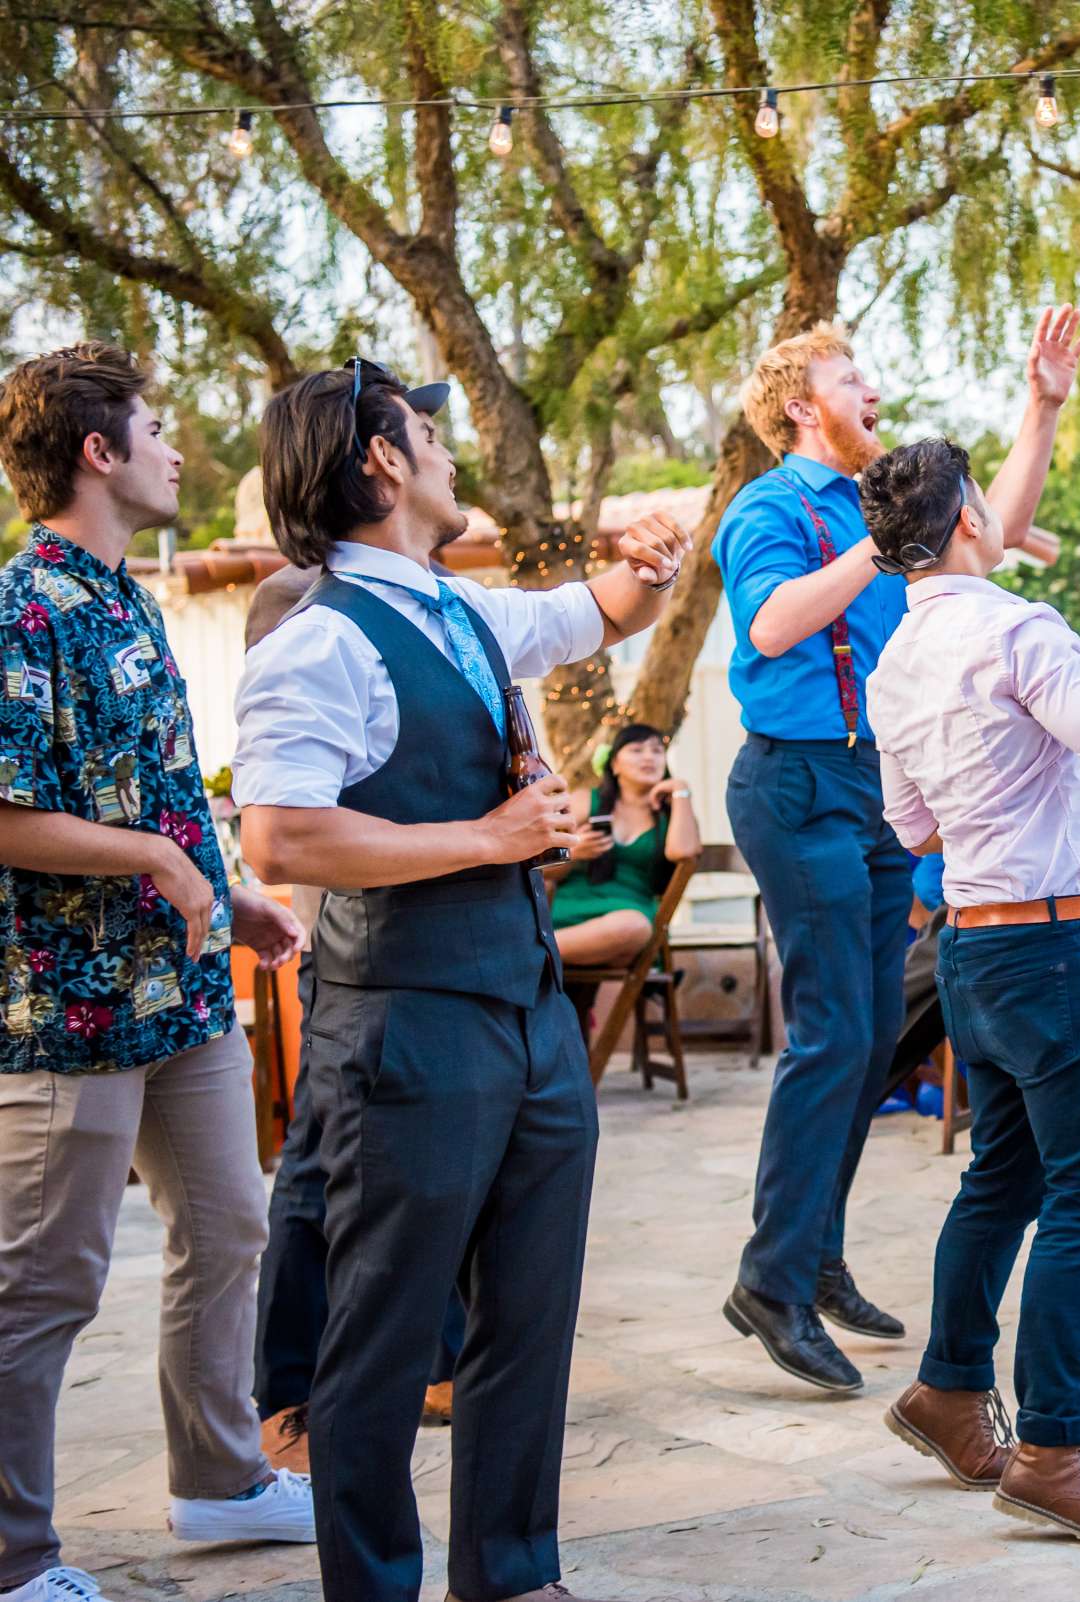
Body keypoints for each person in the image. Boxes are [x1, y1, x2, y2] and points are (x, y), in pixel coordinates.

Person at [235, 358, 693, 1602]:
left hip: (528, 1010)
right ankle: (375, 1586)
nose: (446, 452)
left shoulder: (465, 611)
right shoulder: (319, 640)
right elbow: (277, 836)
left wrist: (650, 557)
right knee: (382, 1338)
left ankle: (510, 1575)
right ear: (383, 460)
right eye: (426, 435)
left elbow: (603, 611)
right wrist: (486, 842)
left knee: (529, 1316)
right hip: (407, 1025)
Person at [714, 309, 1080, 1393]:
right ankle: (772, 1280)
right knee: (833, 1033)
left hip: (870, 785)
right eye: (851, 376)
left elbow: (993, 530)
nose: (873, 390)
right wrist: (873, 554)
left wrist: (1043, 403)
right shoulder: (770, 505)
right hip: (795, 780)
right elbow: (772, 626)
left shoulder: (880, 503)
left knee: (873, 1039)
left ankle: (815, 1258)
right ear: (801, 404)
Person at [0, 344, 315, 1602]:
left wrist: (220, 888)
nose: (177, 450)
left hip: (179, 995)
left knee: (233, 1227)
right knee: (44, 1286)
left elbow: (143, 792)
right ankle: (16, 1555)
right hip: (64, 1012)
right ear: (97, 451)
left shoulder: (126, 594)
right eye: (155, 427)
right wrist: (159, 863)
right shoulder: (20, 605)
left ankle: (219, 1479)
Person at [862, 438, 1080, 1547]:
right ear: (966, 525)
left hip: (974, 952)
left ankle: (949, 1392)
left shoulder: (894, 660)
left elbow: (916, 829)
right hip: (1061, 952)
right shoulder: (1018, 628)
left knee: (1002, 1179)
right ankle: (1053, 1448)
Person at [241, 569, 466, 1477]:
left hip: (418, 939)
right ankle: (287, 1393)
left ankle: (440, 1358)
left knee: (437, 1160)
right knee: (313, 1176)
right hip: (344, 937)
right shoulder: (306, 619)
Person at [546, 722, 700, 967]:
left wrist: (681, 791)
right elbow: (538, 865)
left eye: (657, 750)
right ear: (615, 764)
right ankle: (538, 957)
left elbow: (684, 853)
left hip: (629, 912)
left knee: (634, 928)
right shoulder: (586, 802)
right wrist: (573, 853)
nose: (649, 756)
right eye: (637, 750)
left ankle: (532, 956)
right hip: (571, 907)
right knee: (623, 955)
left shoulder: (671, 815)